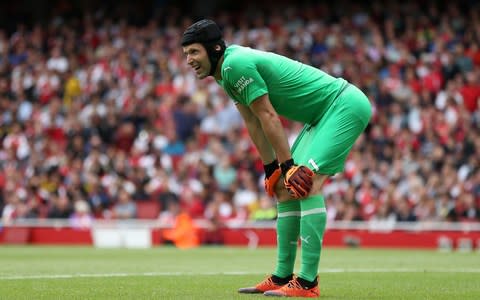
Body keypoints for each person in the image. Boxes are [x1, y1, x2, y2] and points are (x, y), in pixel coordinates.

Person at [181, 19, 371, 298]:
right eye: (186, 54)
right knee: (284, 189)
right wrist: (272, 168)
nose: (189, 60)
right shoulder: (225, 73)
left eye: (194, 52)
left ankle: (307, 283)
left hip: (343, 105)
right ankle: (282, 276)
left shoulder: (236, 65)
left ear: (215, 49)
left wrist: (289, 166)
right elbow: (253, 122)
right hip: (320, 117)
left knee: (305, 182)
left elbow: (269, 115)